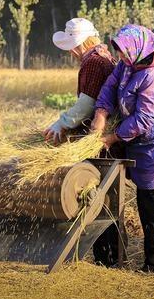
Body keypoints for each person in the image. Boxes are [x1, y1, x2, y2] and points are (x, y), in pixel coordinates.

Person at [91, 24, 154, 274]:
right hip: (143, 145)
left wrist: (112, 137)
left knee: (153, 205)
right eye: (120, 52)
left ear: (137, 48)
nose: (120, 58)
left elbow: (146, 119)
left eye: (124, 52)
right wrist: (101, 113)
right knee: (148, 203)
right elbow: (110, 86)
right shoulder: (130, 64)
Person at [42, 17, 121, 267]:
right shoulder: (103, 57)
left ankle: (107, 258)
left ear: (79, 44)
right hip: (103, 136)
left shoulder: (94, 63)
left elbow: (87, 104)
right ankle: (109, 257)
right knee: (108, 196)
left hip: (99, 139)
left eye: (72, 47)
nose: (72, 53)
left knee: (100, 198)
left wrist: (62, 124)